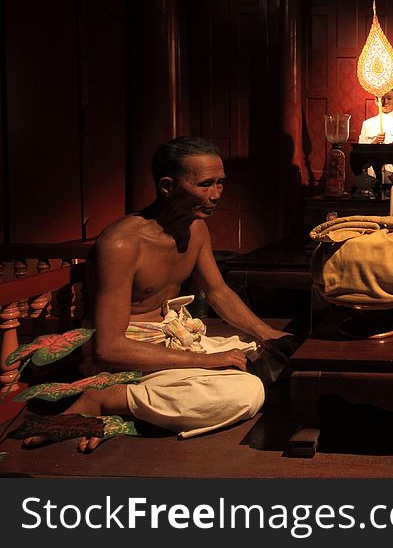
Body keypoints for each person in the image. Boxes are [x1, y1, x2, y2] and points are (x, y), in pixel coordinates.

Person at [21, 136, 291, 452]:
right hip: (127, 360)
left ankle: (131, 414)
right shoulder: (122, 244)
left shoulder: (196, 228)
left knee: (278, 365)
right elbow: (108, 349)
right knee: (245, 394)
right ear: (167, 186)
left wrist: (267, 334)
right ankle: (105, 399)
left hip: (174, 341)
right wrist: (208, 362)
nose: (216, 195)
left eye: (220, 183)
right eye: (205, 184)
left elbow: (218, 292)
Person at [357, 87, 393, 186]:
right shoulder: (367, 124)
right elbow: (359, 154)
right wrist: (374, 142)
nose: (385, 102)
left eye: (389, 98)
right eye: (382, 98)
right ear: (376, 100)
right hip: (372, 176)